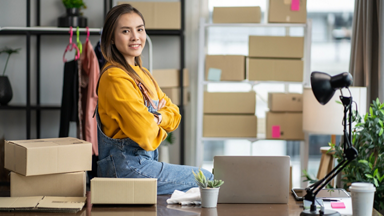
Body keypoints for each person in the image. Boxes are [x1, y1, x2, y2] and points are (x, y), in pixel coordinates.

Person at [95, 4, 213, 195]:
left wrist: (156, 118)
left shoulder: (143, 75)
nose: (135, 37)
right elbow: (146, 135)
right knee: (206, 179)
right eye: (126, 31)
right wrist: (160, 117)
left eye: (140, 29)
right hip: (126, 168)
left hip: (143, 164)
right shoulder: (115, 77)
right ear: (111, 38)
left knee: (203, 181)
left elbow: (175, 114)